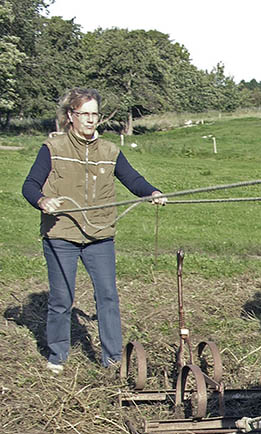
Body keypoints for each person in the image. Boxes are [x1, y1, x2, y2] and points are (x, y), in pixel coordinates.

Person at [21, 87, 166, 374]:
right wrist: (43, 200)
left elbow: (132, 178)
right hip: (61, 233)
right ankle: (58, 356)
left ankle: (112, 358)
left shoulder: (109, 151)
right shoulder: (54, 148)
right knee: (62, 297)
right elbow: (29, 185)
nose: (90, 120)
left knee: (108, 295)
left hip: (99, 235)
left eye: (94, 114)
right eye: (84, 114)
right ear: (70, 116)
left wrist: (151, 192)